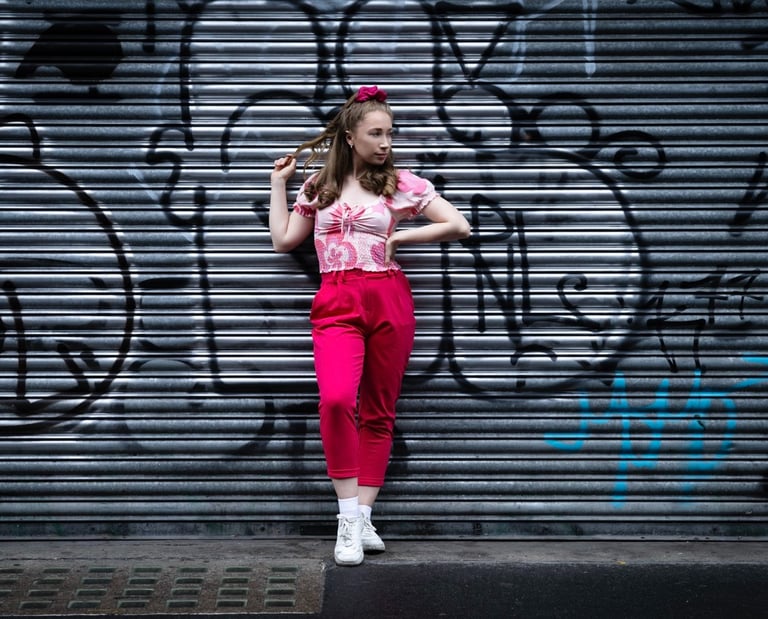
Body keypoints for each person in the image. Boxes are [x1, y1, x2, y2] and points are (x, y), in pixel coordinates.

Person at [269, 85, 470, 566]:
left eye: (390, 134)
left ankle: (362, 517)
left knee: (379, 410)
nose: (386, 143)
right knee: (337, 400)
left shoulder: (398, 183)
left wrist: (402, 239)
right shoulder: (318, 186)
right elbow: (284, 240)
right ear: (350, 137)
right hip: (336, 299)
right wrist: (278, 185)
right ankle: (347, 519)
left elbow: (458, 225)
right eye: (376, 133)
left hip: (387, 296)